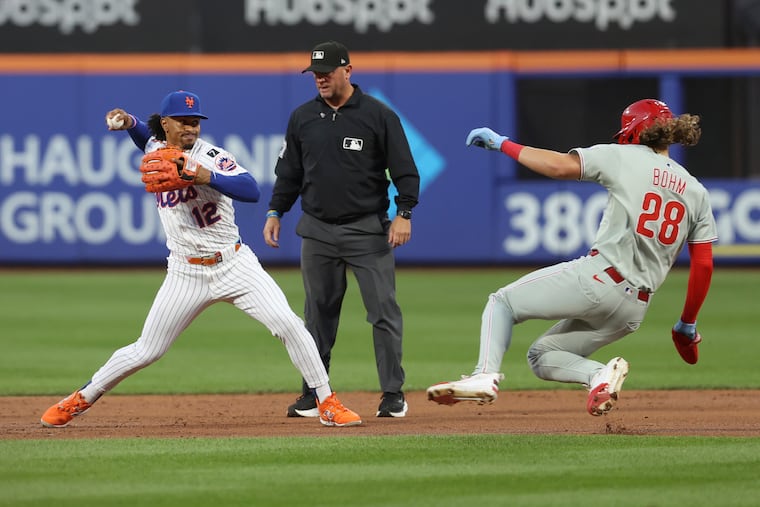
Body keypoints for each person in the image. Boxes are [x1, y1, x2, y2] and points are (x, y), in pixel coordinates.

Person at [40, 90, 362, 429]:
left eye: (195, 122)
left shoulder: (211, 156)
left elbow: (251, 189)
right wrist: (129, 122)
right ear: (166, 124)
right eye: (182, 122)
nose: (191, 128)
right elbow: (145, 139)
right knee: (147, 349)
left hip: (235, 265)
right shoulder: (156, 147)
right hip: (185, 272)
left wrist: (203, 175)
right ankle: (81, 398)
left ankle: (327, 401)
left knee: (289, 324)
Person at [427, 99, 716, 416]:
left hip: (600, 278)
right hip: (634, 310)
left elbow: (558, 166)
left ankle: (485, 375)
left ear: (633, 132)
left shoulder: (624, 155)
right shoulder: (695, 190)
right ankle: (598, 376)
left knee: (502, 303)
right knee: (542, 355)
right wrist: (687, 323)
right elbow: (703, 264)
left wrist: (502, 144)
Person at [263, 41, 420, 418]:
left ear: (347, 71)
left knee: (383, 311)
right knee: (317, 315)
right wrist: (275, 210)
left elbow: (405, 170)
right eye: (315, 74)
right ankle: (314, 393)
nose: (319, 79)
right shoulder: (302, 117)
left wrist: (405, 212)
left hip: (367, 230)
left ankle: (392, 394)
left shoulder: (378, 116)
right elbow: (290, 173)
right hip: (317, 231)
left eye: (326, 73)